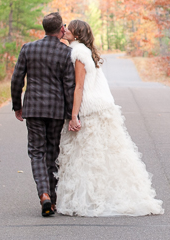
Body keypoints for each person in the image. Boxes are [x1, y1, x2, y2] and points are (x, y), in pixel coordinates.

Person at [55, 20, 163, 217]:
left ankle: (91, 199)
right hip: (103, 106)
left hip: (89, 109)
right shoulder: (88, 51)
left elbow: (79, 87)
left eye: (69, 28)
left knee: (87, 156)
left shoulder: (78, 53)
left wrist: (73, 116)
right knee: (105, 155)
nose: (66, 30)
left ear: (77, 34)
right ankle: (107, 194)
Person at [11, 12, 77, 217]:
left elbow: (16, 80)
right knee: (52, 152)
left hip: (33, 109)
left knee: (36, 152)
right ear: (61, 30)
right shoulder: (66, 53)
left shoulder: (28, 48)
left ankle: (44, 194)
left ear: (44, 29)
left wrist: (17, 106)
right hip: (56, 111)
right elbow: (69, 86)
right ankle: (53, 201)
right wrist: (70, 114)